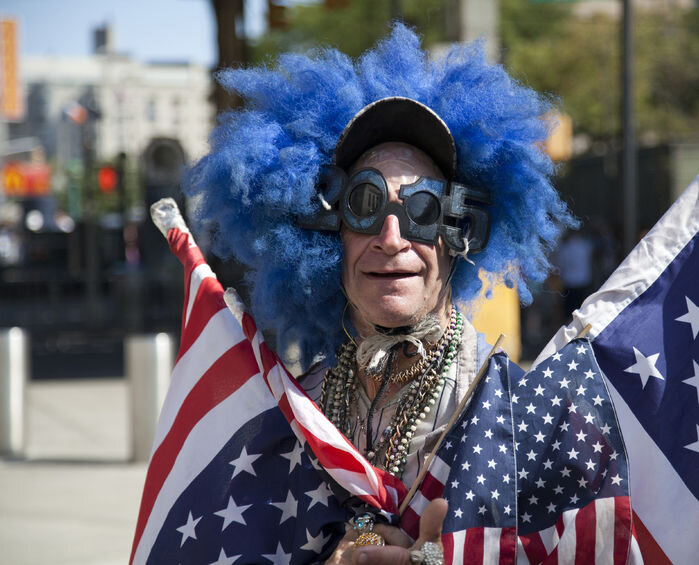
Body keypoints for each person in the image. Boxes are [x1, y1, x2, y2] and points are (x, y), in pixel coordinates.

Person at [164, 24, 634, 564]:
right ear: (328, 234)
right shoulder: (295, 411)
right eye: (365, 205)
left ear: (460, 235)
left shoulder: (518, 419)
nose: (392, 237)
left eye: (423, 209)